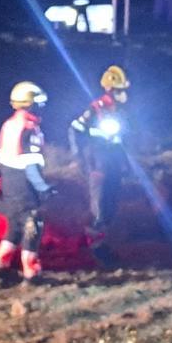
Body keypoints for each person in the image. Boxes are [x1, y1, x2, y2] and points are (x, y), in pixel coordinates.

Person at [0, 81, 53, 284]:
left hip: (9, 184)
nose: (42, 108)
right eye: (39, 104)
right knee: (32, 227)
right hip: (25, 187)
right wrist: (44, 188)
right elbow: (30, 164)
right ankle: (31, 274)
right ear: (31, 104)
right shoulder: (30, 128)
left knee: (14, 228)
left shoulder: (8, 125)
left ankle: (0, 268)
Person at [69, 65, 129, 247]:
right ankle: (94, 245)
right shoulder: (97, 107)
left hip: (113, 163)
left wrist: (124, 163)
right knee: (99, 205)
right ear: (109, 89)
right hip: (98, 162)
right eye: (119, 90)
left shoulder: (119, 111)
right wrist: (77, 154)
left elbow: (121, 139)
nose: (123, 94)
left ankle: (103, 242)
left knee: (111, 201)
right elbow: (75, 128)